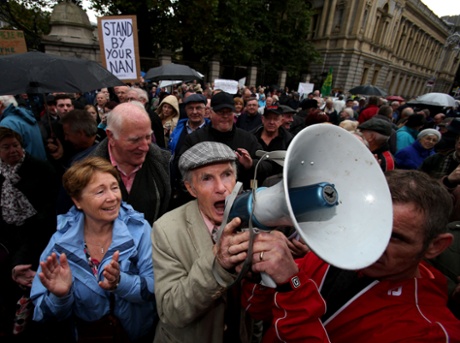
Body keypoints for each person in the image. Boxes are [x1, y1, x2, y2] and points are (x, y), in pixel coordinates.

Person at [242, 169, 460, 342]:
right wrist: (259, 272)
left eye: (394, 237)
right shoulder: (334, 252)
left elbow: (293, 287)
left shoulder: (431, 332)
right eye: (369, 225)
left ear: (436, 245)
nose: (373, 243)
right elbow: (260, 310)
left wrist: (291, 285)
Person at [30, 157, 156, 342]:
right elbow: (43, 313)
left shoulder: (139, 230)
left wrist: (121, 283)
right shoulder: (60, 243)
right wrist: (60, 296)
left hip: (135, 335)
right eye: (100, 191)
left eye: (114, 187)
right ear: (77, 201)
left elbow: (155, 288)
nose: (112, 198)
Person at [152, 141, 252, 343]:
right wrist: (219, 264)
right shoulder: (166, 230)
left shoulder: (252, 219)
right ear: (191, 188)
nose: (222, 188)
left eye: (226, 175)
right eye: (207, 178)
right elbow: (172, 311)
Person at [0, 127, 58, 340]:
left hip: (36, 235)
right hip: (7, 239)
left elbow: (51, 203)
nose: (12, 150)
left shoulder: (40, 168)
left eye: (15, 145)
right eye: (6, 147)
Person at [89, 102, 171, 225]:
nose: (145, 147)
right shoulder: (84, 169)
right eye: (135, 140)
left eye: (148, 137)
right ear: (111, 136)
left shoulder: (165, 163)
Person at [175, 92, 275, 191]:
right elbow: (179, 165)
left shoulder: (247, 138)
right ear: (210, 112)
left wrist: (251, 164)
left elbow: (268, 166)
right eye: (221, 112)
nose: (225, 116)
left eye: (229, 112)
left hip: (239, 201)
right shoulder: (195, 139)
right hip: (204, 199)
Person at [0, 95, 47, 161]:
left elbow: (10, 155)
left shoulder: (6, 123)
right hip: (39, 165)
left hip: (25, 167)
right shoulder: (26, 116)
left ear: (0, 104)